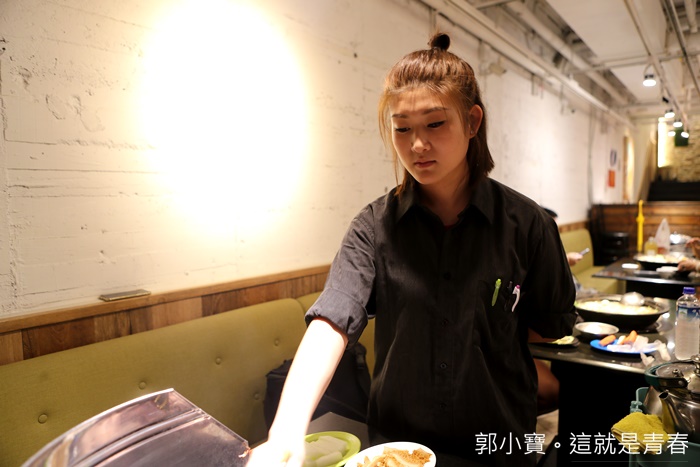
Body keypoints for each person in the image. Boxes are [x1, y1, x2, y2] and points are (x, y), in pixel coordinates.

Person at [249, 32, 576, 467]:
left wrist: (489, 327)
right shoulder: (374, 227)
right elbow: (332, 321)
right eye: (402, 128)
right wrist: (286, 431)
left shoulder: (528, 224)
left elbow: (550, 325)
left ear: (472, 122)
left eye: (435, 124)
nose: (417, 145)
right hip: (397, 449)